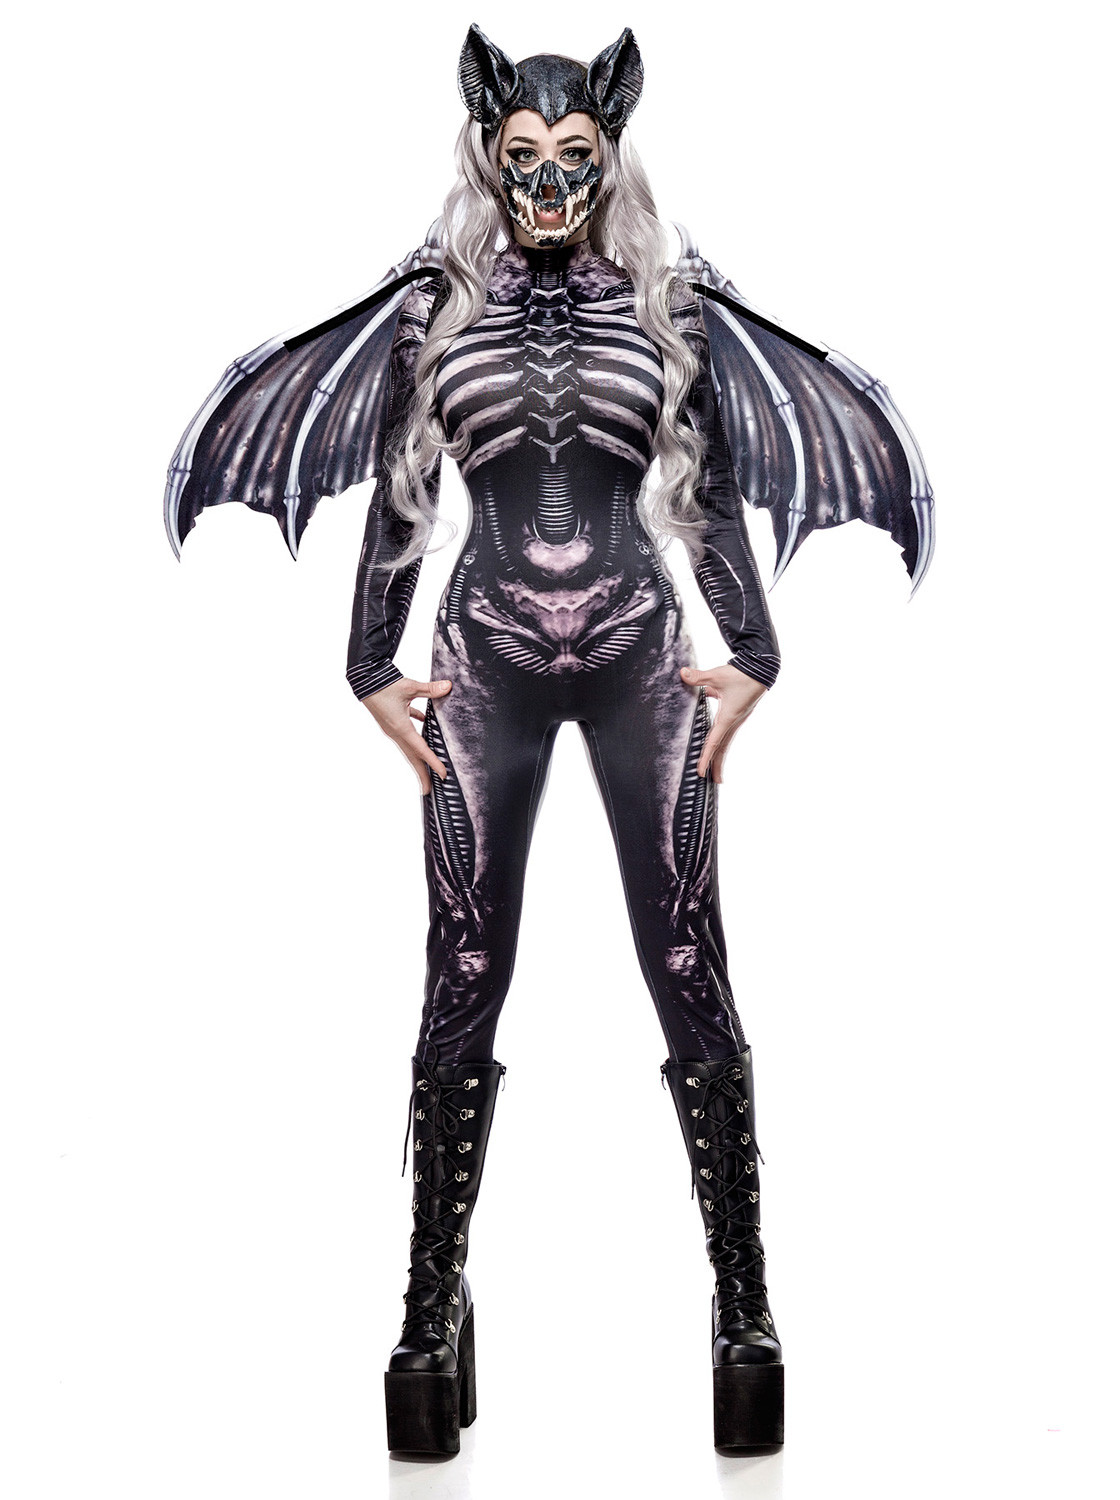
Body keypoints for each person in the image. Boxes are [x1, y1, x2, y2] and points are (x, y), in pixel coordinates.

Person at [164, 21, 932, 1459]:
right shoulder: (430, 314)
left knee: (689, 962)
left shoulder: (673, 311)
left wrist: (755, 657)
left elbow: (706, 495)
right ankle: (429, 1307)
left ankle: (744, 1303)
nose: (550, 185)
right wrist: (368, 665)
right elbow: (401, 495)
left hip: (642, 653)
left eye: (576, 158)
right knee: (463, 971)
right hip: (486, 660)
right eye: (523, 158)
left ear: (611, 155)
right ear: (487, 153)